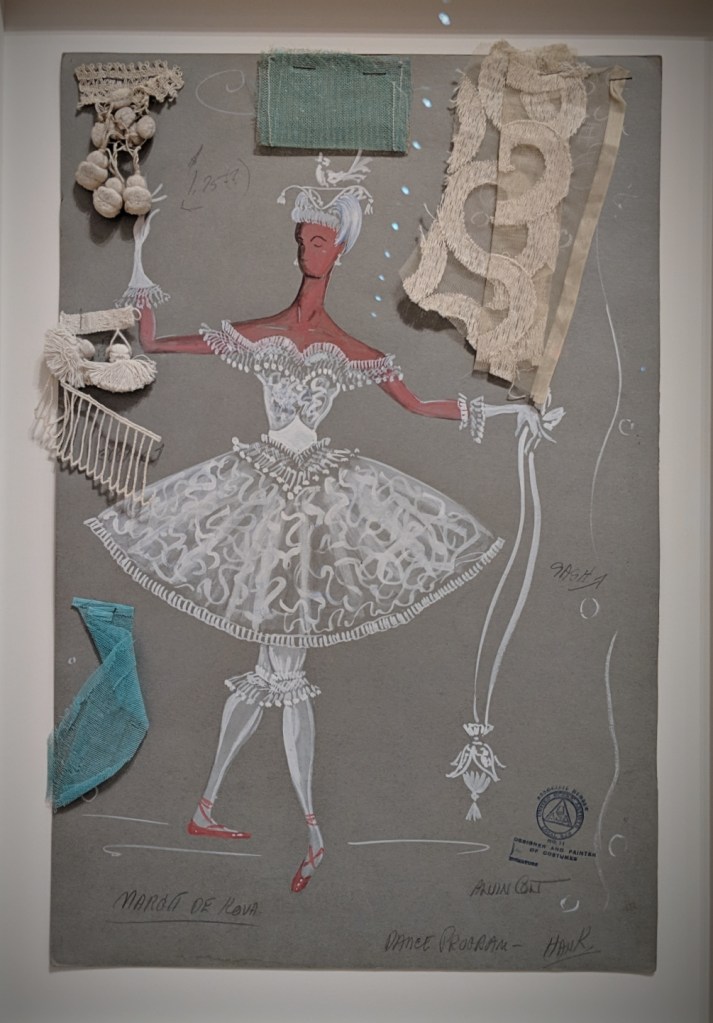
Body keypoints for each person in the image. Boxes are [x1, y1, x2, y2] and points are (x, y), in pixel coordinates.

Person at [86, 174, 547, 892]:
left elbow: (420, 405)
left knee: (279, 669)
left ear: (339, 253)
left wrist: (507, 414)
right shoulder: (260, 333)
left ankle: (243, 813)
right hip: (264, 495)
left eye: (322, 240)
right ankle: (298, 827)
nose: (309, 249)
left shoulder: (352, 348)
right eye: (303, 238)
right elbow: (153, 340)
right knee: (281, 671)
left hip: (314, 505)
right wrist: (140, 254)